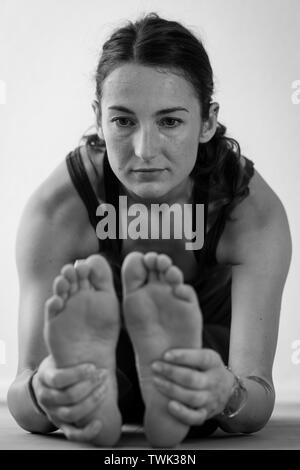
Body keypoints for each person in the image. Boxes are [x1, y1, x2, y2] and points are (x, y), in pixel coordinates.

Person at [7, 12, 292, 448]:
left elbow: (254, 397)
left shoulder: (248, 211)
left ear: (208, 122)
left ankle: (169, 380)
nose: (144, 150)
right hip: (104, 367)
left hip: (200, 367)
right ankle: (96, 389)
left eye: (170, 121)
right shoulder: (61, 207)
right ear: (99, 118)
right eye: (123, 121)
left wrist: (227, 392)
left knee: (204, 365)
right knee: (77, 368)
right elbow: (21, 393)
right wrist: (44, 390)